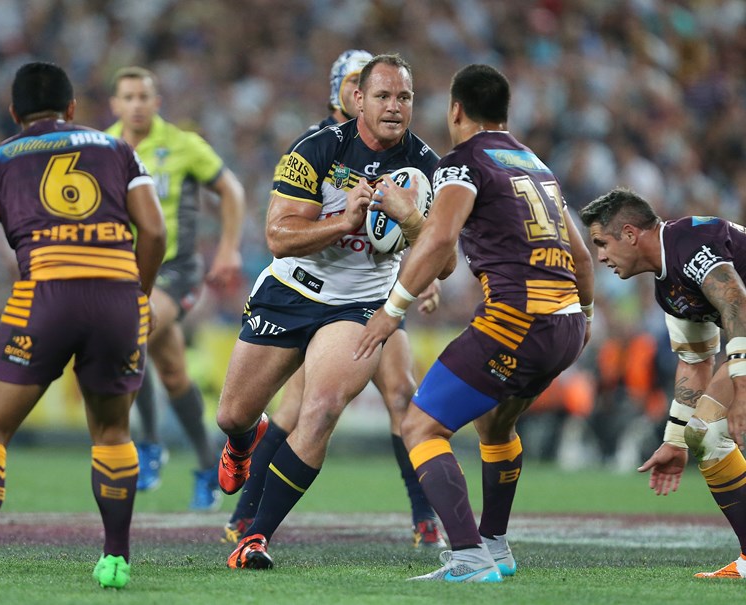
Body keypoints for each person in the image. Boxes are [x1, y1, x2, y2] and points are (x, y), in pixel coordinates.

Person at [0, 62, 166, 592]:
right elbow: (156, 231)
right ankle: (115, 561)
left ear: (13, 113)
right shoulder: (118, 149)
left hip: (45, 297)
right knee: (113, 432)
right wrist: (137, 294)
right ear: (72, 109)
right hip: (118, 296)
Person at [355, 63, 594, 583]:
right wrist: (587, 314)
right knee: (495, 424)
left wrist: (390, 310)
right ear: (505, 114)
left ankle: (467, 556)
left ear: (455, 110)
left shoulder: (461, 161)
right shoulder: (536, 164)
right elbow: (581, 256)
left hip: (516, 321)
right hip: (567, 324)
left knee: (420, 426)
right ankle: (496, 545)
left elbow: (440, 239)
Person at [218, 53, 453, 570]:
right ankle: (241, 444)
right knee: (233, 414)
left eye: (405, 97)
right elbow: (278, 237)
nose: (394, 107)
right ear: (358, 101)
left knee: (322, 409)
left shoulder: (430, 168)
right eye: (383, 96)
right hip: (292, 289)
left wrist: (412, 221)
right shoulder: (316, 147)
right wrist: (344, 221)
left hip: (359, 305)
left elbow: (447, 259)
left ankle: (254, 538)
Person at [579, 188, 746, 579]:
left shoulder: (689, 243)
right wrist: (673, 439)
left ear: (631, 234)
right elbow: (695, 361)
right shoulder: (667, 287)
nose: (600, 257)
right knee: (701, 435)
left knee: (710, 430)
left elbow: (737, 300)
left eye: (602, 243)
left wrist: (741, 385)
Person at [107, 66, 246, 508]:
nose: (136, 105)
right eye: (128, 97)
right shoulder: (103, 146)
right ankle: (208, 465)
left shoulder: (183, 146)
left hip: (176, 269)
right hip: (125, 273)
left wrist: (227, 249)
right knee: (171, 372)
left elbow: (233, 190)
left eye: (143, 96)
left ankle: (147, 443)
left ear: (156, 102)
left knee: (133, 330)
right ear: (116, 104)